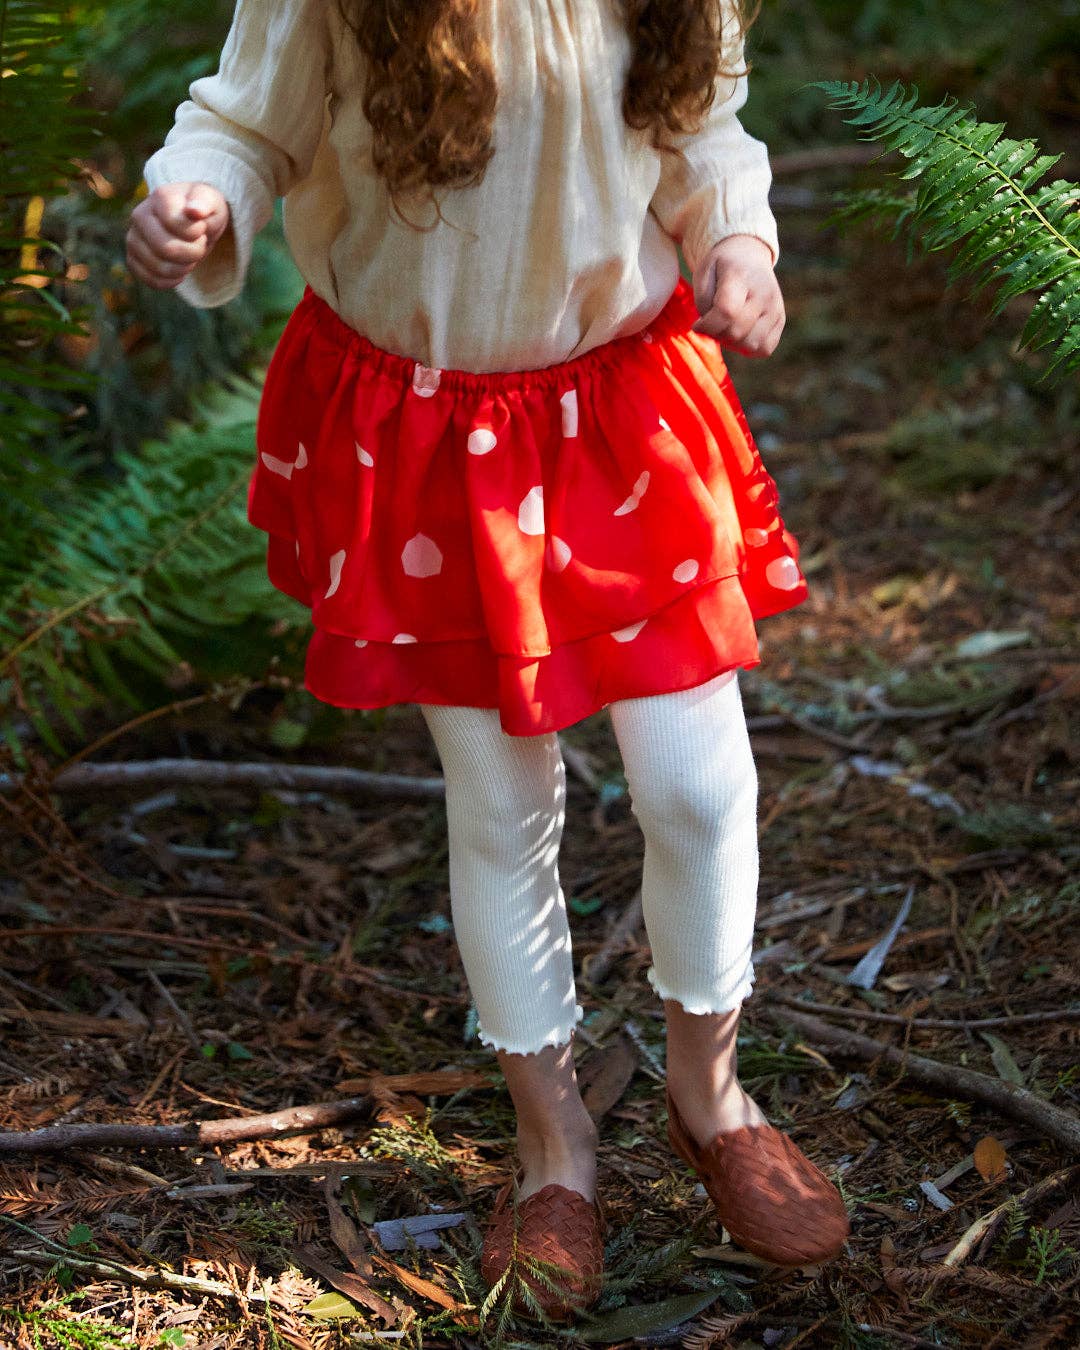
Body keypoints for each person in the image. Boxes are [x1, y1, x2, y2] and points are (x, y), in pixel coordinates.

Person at [129, 0, 850, 1322]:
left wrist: (740, 243)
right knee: (503, 799)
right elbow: (244, 123)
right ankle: (551, 1140)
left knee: (698, 786)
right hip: (423, 440)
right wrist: (199, 197)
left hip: (619, 409)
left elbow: (703, 136)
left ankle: (710, 1093)